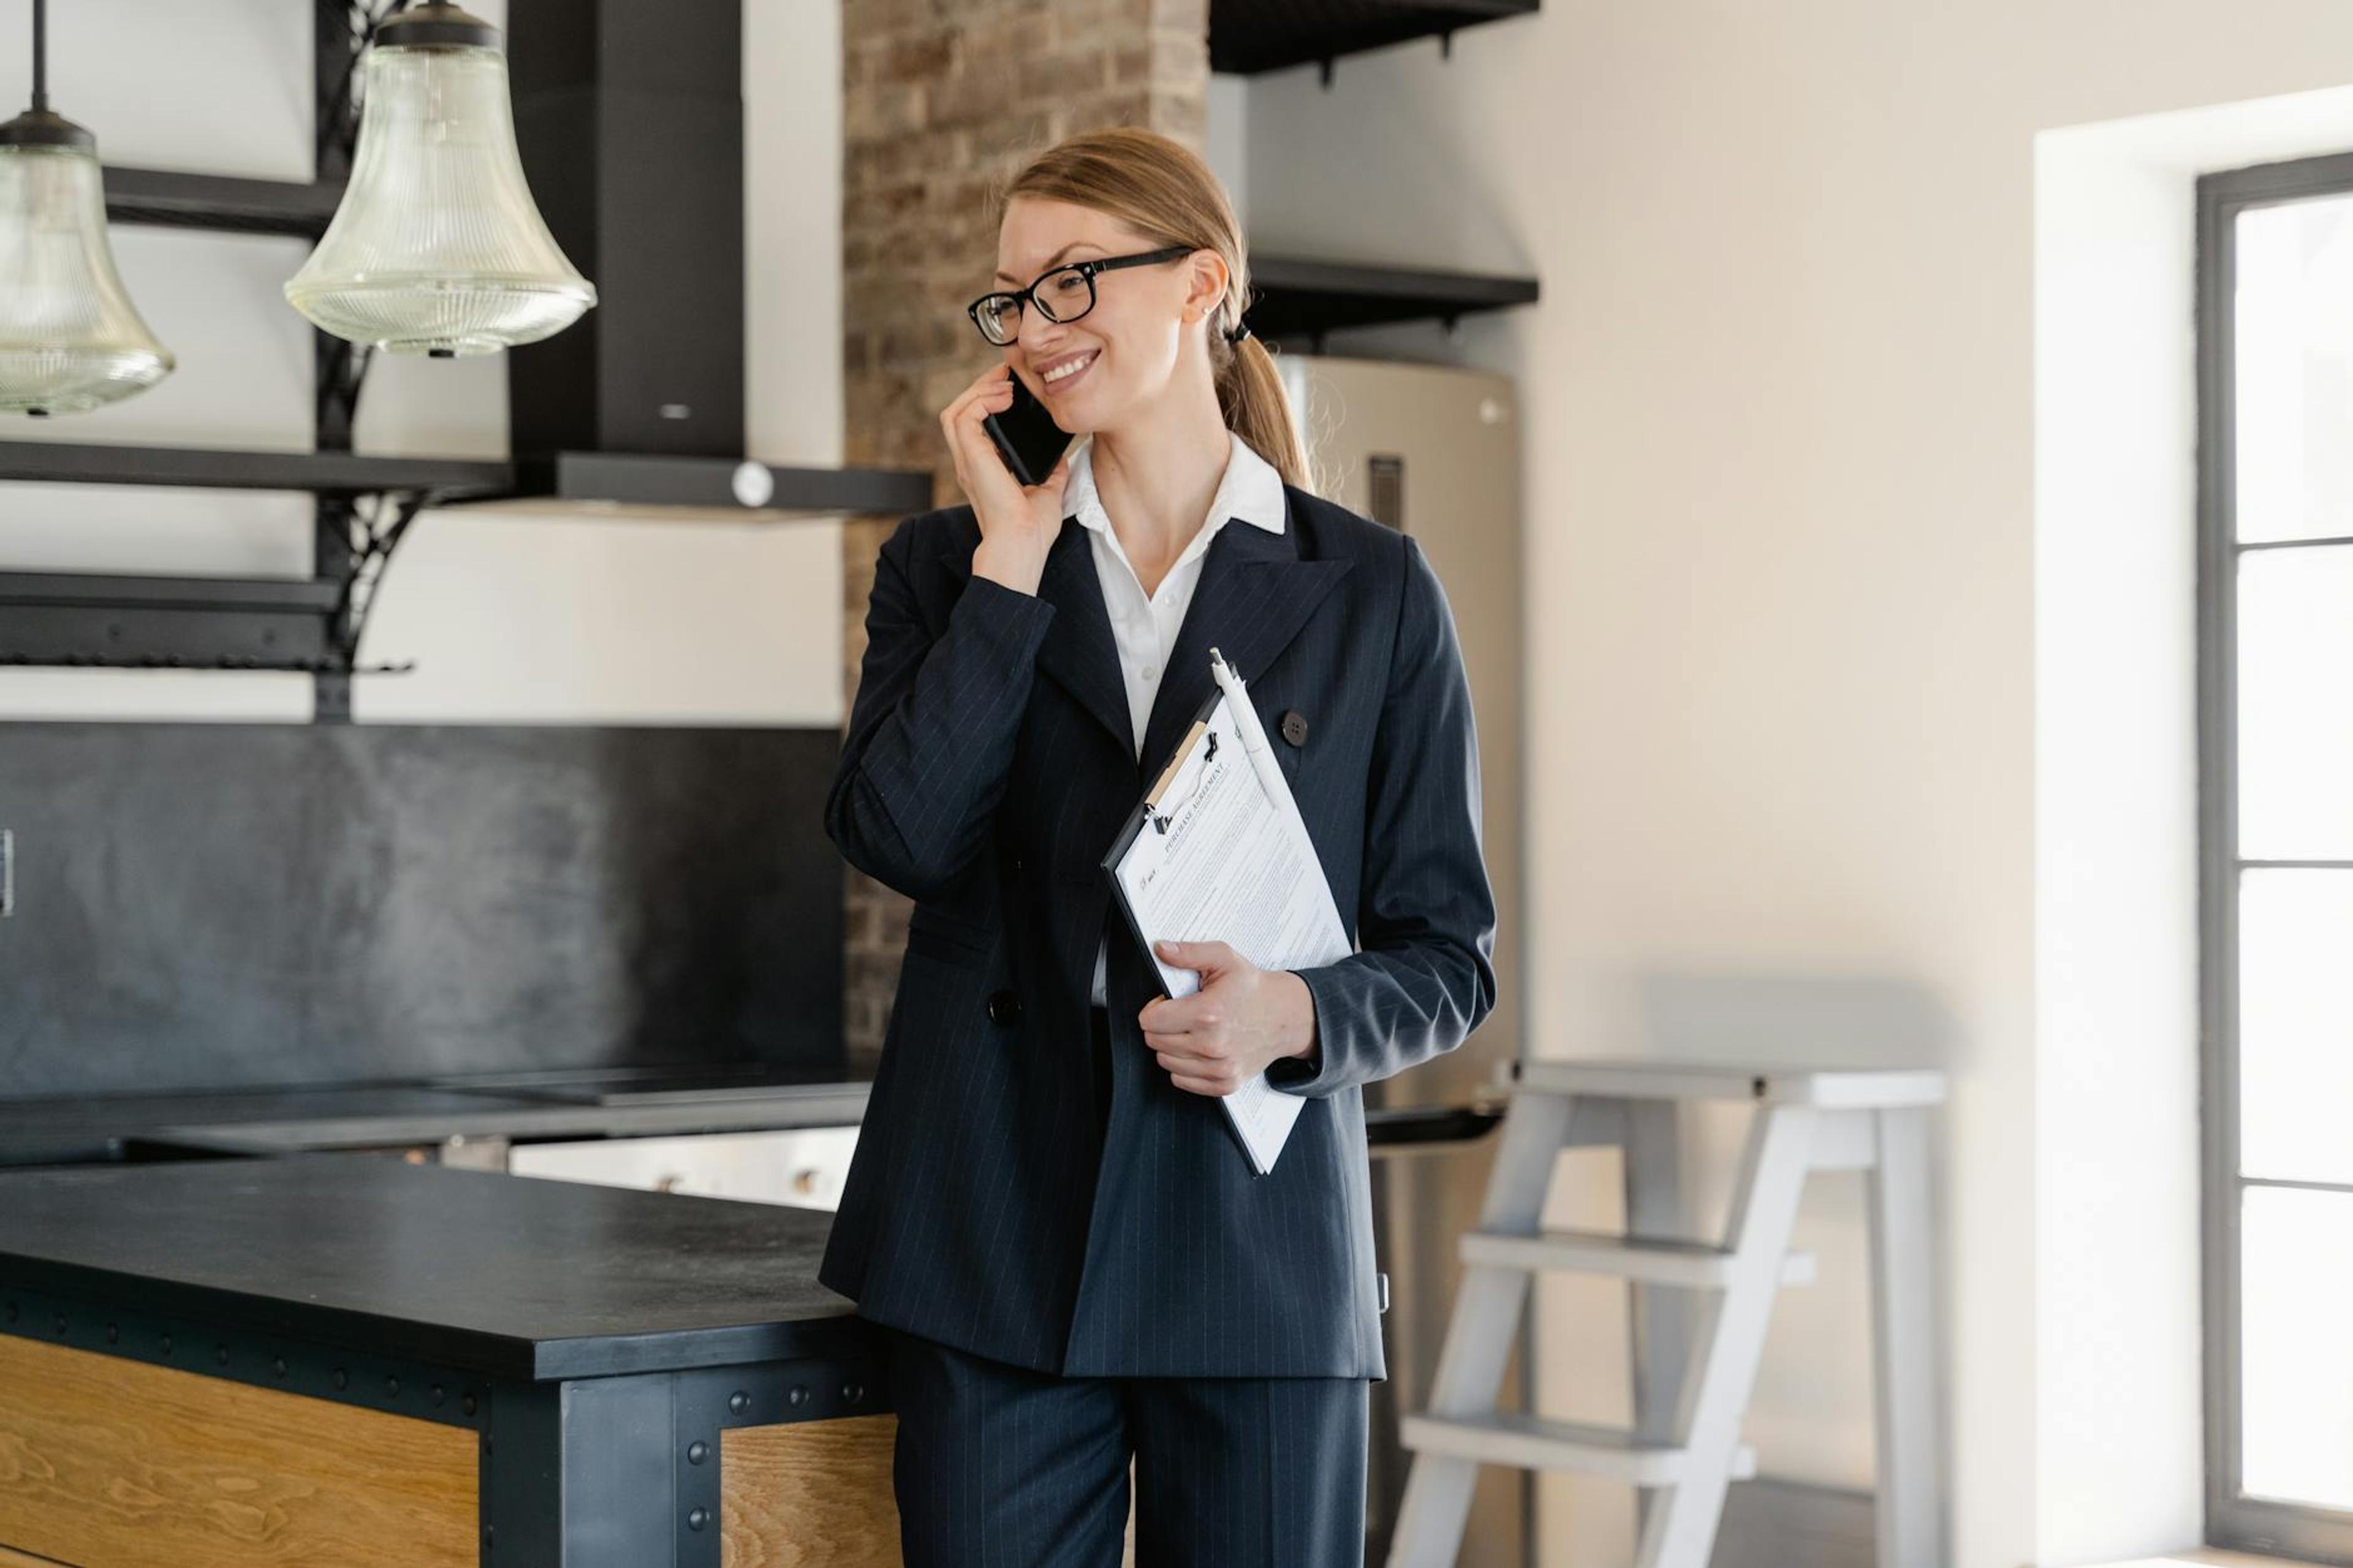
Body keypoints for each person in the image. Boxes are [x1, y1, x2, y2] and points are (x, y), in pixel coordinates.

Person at [819, 123, 1497, 1568]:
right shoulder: (949, 568)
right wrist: (1008, 558)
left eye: (1072, 283)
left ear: (1203, 283)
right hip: (991, 1231)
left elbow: (1451, 952)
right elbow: (902, 835)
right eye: (1011, 299)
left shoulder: (1370, 589)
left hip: (1254, 1242)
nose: (1035, 331)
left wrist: (1296, 1013)